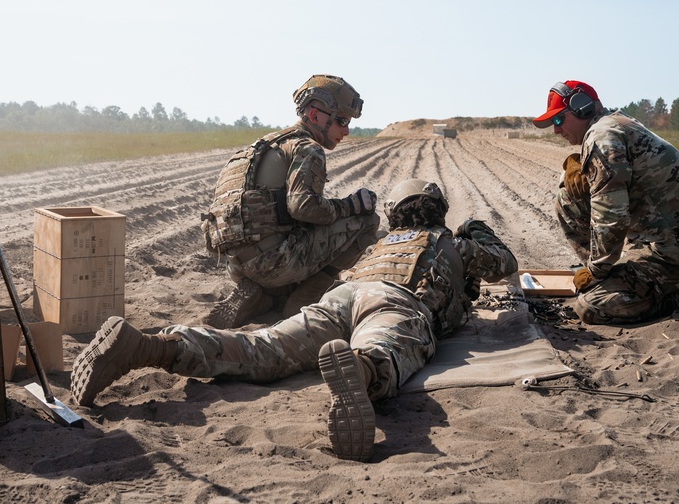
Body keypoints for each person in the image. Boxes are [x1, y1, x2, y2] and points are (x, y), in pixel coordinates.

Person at [72, 178, 517, 462]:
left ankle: (153, 346)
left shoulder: (381, 243)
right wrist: (476, 228)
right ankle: (359, 371)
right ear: (437, 211)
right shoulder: (449, 243)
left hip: (340, 298)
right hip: (396, 303)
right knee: (385, 350)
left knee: (261, 348)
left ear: (397, 210)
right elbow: (505, 264)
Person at [533, 79, 679, 325]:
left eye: (558, 120)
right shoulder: (612, 125)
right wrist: (576, 163)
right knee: (568, 197)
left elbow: (611, 217)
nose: (555, 130)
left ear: (582, 108)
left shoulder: (601, 136)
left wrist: (596, 272)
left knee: (591, 307)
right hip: (670, 241)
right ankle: (608, 278)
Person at [200, 74, 381, 328]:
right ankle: (304, 297)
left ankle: (264, 297)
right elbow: (303, 207)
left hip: (236, 266)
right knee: (367, 221)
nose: (346, 130)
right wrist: (351, 206)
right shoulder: (307, 147)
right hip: (276, 263)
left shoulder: (261, 147)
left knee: (303, 233)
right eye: (341, 120)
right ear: (314, 115)